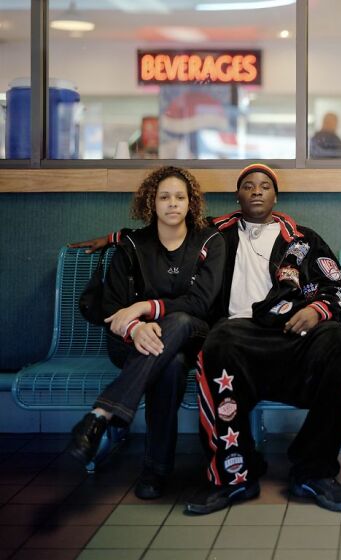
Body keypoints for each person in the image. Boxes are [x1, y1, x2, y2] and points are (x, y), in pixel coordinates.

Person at [71, 163, 341, 514]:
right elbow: (163, 230)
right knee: (216, 346)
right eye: (248, 186)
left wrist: (318, 311)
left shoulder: (302, 239)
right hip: (234, 334)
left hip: (291, 332)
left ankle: (314, 471)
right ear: (237, 195)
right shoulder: (214, 232)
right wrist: (116, 239)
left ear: (275, 195)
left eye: (265, 185)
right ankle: (233, 475)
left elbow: (337, 288)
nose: (256, 191)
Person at [68, 166, 225, 499]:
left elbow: (199, 303)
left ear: (191, 202)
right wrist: (136, 329)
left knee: (179, 323)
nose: (172, 204)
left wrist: (142, 309)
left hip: (192, 333)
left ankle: (101, 414)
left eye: (180, 197)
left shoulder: (209, 241)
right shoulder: (131, 246)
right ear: (150, 203)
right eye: (164, 197)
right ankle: (155, 471)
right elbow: (112, 309)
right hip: (131, 341)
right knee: (168, 365)